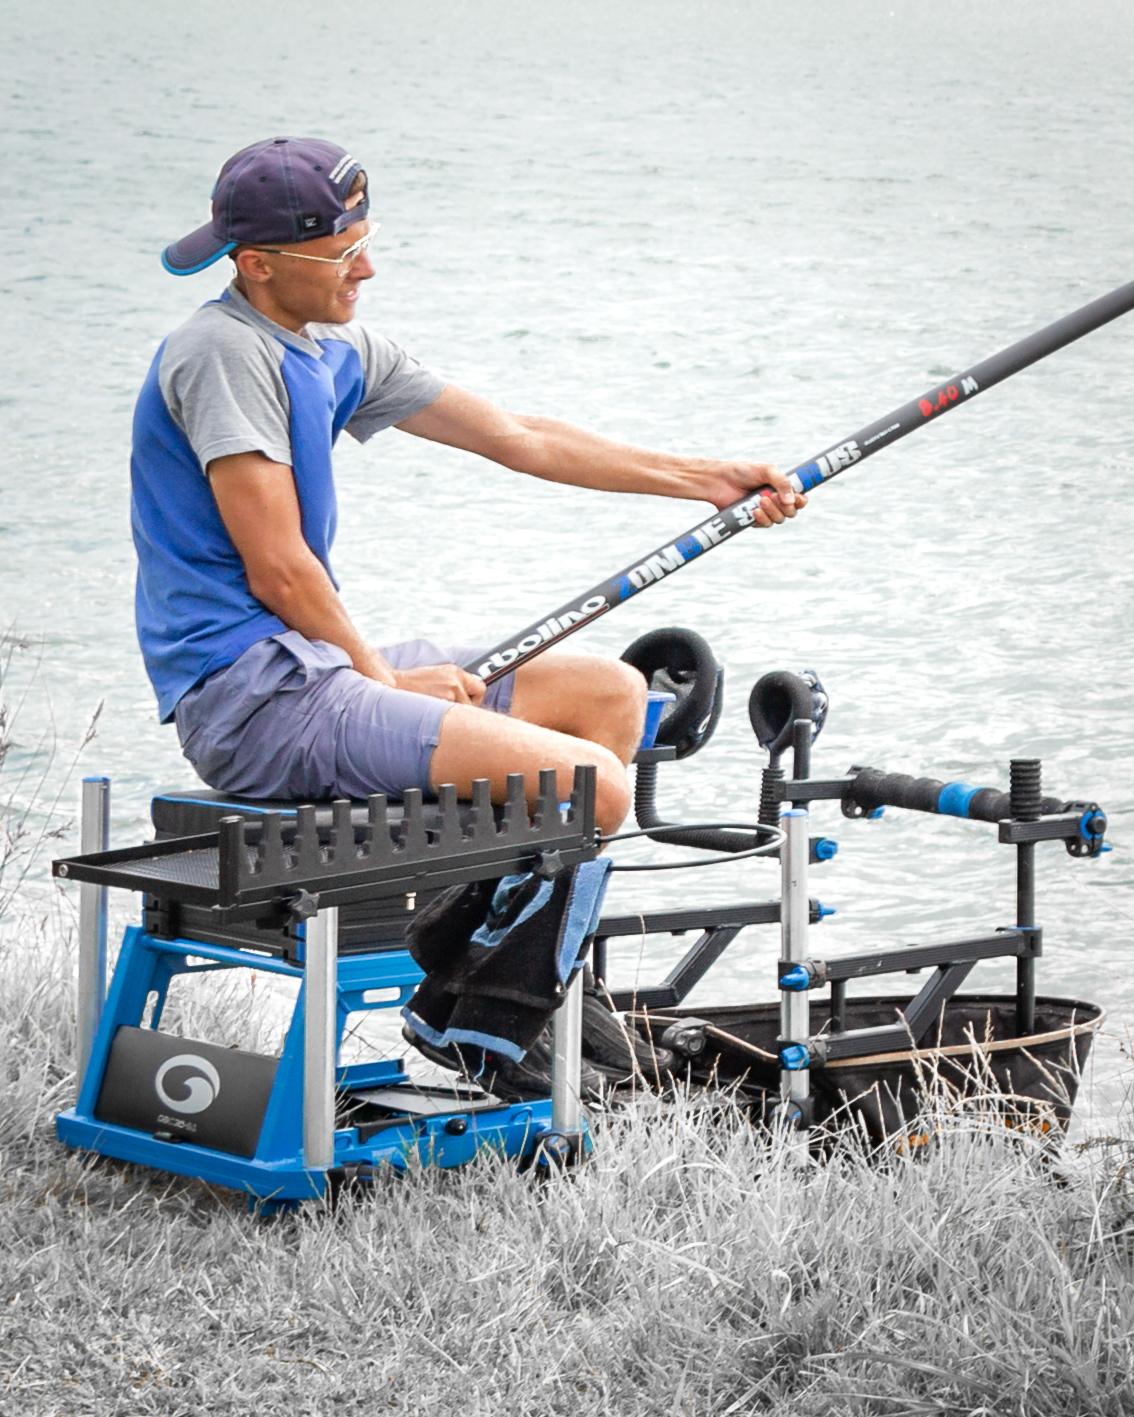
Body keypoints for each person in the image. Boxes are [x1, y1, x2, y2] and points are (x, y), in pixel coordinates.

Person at [133, 136, 805, 840]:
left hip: (316, 666)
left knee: (613, 692)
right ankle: (490, 938)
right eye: (341, 255)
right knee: (594, 785)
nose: (366, 267)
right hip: (251, 702)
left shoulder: (340, 348)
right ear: (257, 264)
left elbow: (519, 437)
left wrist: (707, 480)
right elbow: (281, 570)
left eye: (367, 241)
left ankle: (523, 939)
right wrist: (382, 682)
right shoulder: (222, 353)